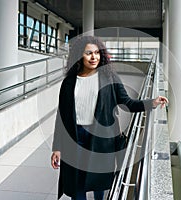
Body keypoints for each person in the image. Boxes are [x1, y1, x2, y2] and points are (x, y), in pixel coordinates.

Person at [51, 35, 168, 200]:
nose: (94, 57)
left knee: (99, 183)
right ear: (79, 56)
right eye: (89, 53)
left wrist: (152, 103)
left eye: (97, 53)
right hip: (74, 137)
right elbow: (61, 116)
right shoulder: (69, 82)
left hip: (100, 138)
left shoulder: (109, 78)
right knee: (76, 185)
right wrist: (57, 147)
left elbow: (127, 103)